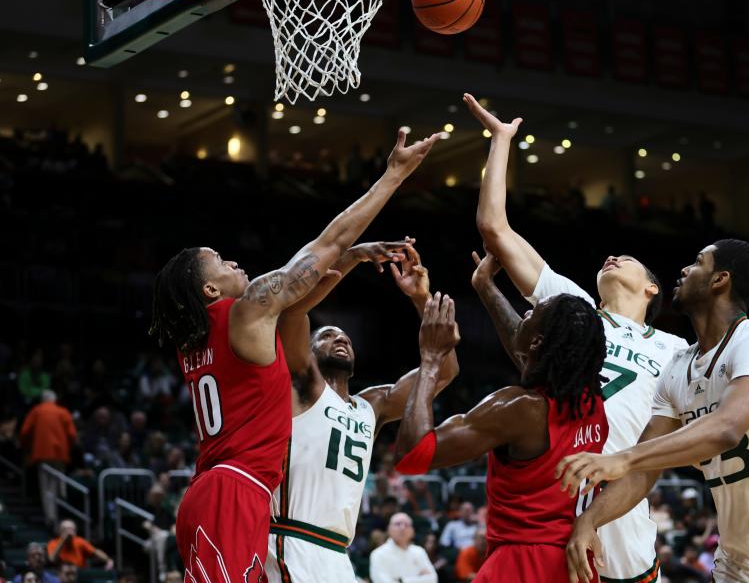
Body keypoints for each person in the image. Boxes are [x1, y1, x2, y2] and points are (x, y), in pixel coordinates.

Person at [148, 129, 439, 580]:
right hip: (235, 491)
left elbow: (298, 299)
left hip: (215, 491)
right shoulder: (246, 312)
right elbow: (324, 246)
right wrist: (393, 176)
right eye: (221, 262)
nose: (234, 264)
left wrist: (355, 258)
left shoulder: (199, 338)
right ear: (209, 289)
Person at [464, 92, 688, 583]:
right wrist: (501, 142)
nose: (612, 257)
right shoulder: (574, 309)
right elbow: (493, 228)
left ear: (653, 287)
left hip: (622, 518)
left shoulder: (678, 352)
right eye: (609, 257)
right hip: (551, 508)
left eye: (627, 258)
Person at [558, 239, 749, 583]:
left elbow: (726, 428)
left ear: (720, 280)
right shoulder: (677, 368)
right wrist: (589, 521)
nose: (685, 270)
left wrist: (625, 457)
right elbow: (643, 471)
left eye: (698, 263)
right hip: (736, 565)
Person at [394, 254, 608, 583]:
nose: (523, 313)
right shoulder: (590, 402)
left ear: (538, 342)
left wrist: (432, 357)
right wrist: (484, 286)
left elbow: (413, 456)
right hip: (574, 565)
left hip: (520, 563)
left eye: (532, 313)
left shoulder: (518, 408)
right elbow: (530, 352)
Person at [266, 242, 460, 582]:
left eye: (346, 338)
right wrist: (353, 257)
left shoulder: (372, 404)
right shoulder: (303, 386)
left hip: (338, 554)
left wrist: (419, 298)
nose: (340, 339)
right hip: (290, 540)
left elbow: (443, 372)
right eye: (327, 336)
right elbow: (293, 311)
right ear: (308, 353)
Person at [19, 390, 76, 530]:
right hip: (60, 455)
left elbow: (24, 432)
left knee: (47, 488)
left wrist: (28, 447)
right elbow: (72, 435)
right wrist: (67, 447)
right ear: (54, 400)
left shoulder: (37, 411)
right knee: (58, 486)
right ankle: (62, 510)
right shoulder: (63, 412)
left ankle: (51, 518)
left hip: (43, 453)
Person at [369, 513, 437, 583]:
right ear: (389, 529)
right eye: (397, 524)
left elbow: (433, 579)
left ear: (412, 531)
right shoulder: (378, 554)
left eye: (406, 525)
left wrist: (401, 580)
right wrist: (420, 578)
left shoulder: (419, 551)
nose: (402, 528)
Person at [46, 519, 112, 570]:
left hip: (79, 574)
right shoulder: (53, 543)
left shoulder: (79, 541)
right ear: (60, 531)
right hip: (61, 575)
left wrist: (108, 560)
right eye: (66, 529)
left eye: (71, 529)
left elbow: (95, 551)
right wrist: (63, 541)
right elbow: (52, 559)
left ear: (75, 532)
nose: (69, 532)